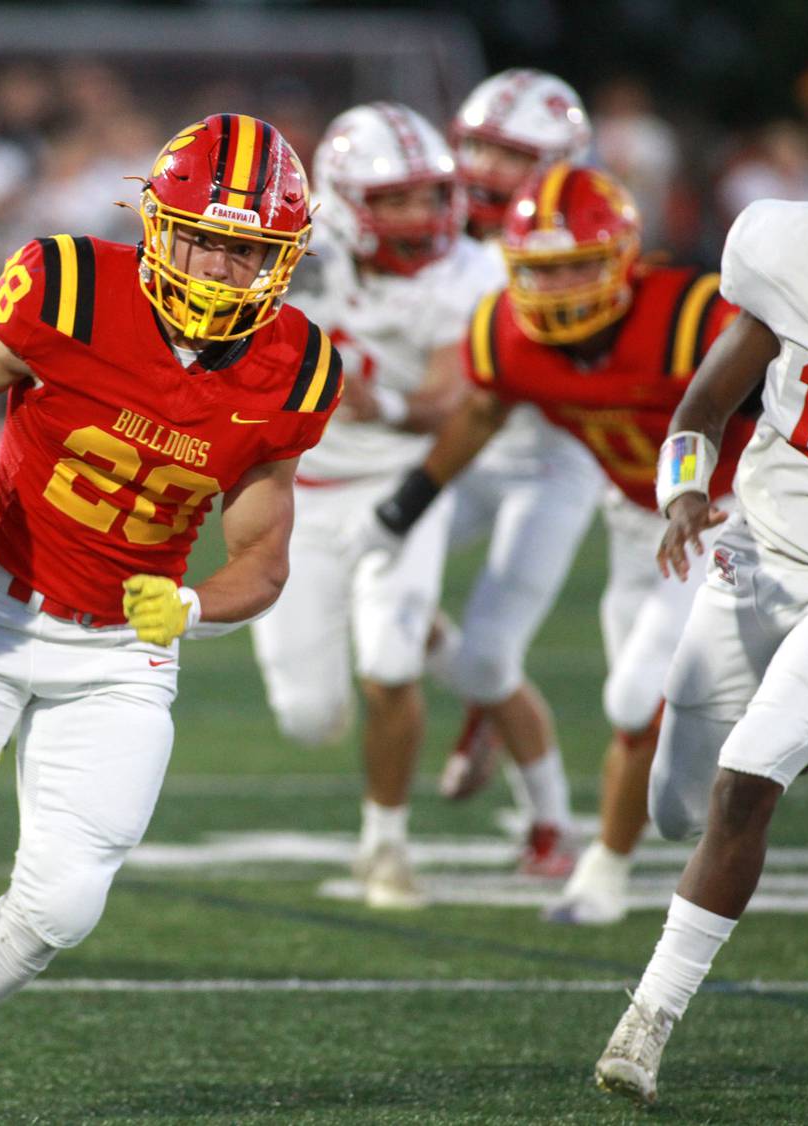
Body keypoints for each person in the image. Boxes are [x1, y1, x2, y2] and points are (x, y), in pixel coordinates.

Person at [0, 112, 340, 1125]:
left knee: (63, 906)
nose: (226, 268)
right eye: (206, 238)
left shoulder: (299, 366)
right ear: (155, 224)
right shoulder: (68, 286)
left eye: (250, 249)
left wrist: (190, 605)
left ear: (285, 255)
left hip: (120, 652)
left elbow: (265, 557)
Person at [594, 92, 808, 1107]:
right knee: (674, 805)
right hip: (758, 548)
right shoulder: (778, 250)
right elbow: (703, 405)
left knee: (743, 782)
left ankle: (647, 1021)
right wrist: (685, 489)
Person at [353, 163, 755, 927]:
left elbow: (793, 401)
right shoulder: (508, 334)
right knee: (662, 753)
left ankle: (603, 872)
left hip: (726, 517)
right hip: (634, 522)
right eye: (544, 269)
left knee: (636, 696)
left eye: (577, 264)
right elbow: (480, 415)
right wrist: (406, 505)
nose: (563, 286)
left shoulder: (693, 315)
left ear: (621, 259)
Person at [249, 102, 506, 907]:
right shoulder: (288, 257)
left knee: (388, 670)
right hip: (297, 492)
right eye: (393, 200)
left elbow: (453, 396)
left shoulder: (469, 272)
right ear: (344, 200)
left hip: (401, 482)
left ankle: (386, 845)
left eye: (429, 195)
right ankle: (437, 637)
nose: (420, 215)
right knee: (308, 715)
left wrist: (378, 403)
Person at [427, 69, 609, 878]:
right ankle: (483, 706)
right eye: (474, 145)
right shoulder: (436, 230)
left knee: (490, 656)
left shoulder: (587, 242)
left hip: (551, 464)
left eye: (505, 152)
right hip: (468, 453)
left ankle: (549, 826)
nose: (481, 166)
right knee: (365, 580)